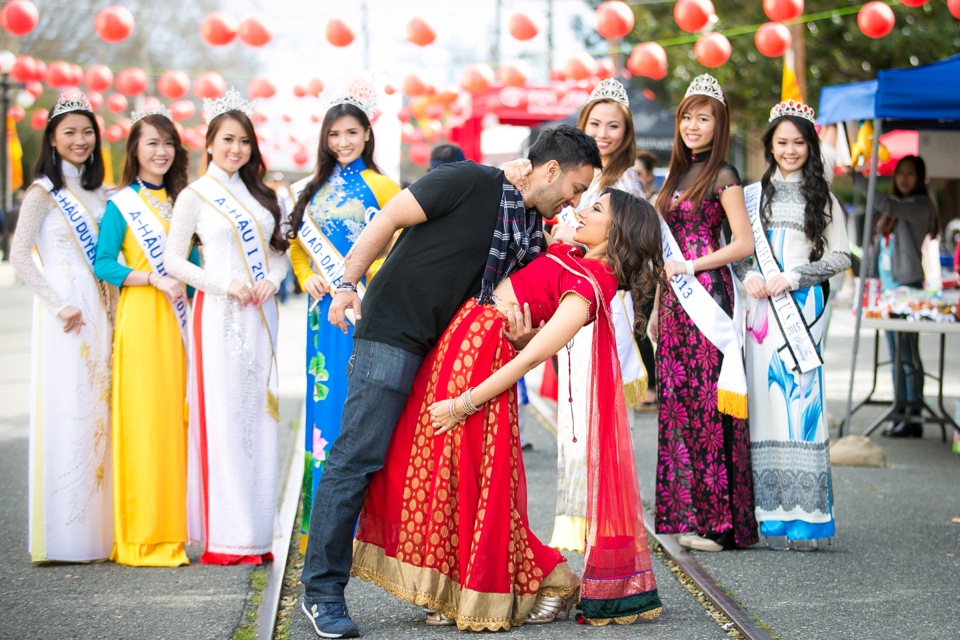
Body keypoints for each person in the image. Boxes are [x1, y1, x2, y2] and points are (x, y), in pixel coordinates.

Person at [300, 125, 601, 639]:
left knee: (435, 469)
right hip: (394, 334)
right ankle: (322, 592)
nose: (574, 201)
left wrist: (522, 330)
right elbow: (391, 217)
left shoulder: (529, 231)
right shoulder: (468, 180)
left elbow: (510, 301)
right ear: (551, 170)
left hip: (451, 355)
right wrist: (347, 283)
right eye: (575, 187)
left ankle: (442, 585)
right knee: (359, 456)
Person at [353, 190, 665, 629]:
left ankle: (535, 581)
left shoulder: (594, 284)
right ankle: (476, 583)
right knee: (442, 470)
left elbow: (534, 355)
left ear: (619, 231)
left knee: (468, 477)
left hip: (482, 366)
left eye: (596, 210)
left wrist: (466, 402)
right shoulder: (574, 253)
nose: (581, 210)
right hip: (464, 341)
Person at [503, 78, 647, 552]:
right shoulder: (566, 175)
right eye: (595, 124)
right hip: (564, 292)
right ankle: (580, 523)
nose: (604, 133)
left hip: (595, 301)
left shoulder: (624, 186)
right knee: (573, 419)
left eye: (614, 126)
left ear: (626, 133)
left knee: (594, 417)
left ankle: (603, 529)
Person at [164, 89, 290, 564]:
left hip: (260, 317)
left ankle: (257, 537)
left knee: (258, 418)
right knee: (223, 417)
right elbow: (175, 261)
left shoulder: (263, 196)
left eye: (243, 142)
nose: (236, 149)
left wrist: (272, 283)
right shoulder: (194, 197)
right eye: (227, 140)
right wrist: (224, 283)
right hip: (218, 316)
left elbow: (278, 257)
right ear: (210, 143)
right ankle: (227, 536)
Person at [286, 78, 400, 553]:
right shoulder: (310, 189)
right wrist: (306, 275)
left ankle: (373, 521)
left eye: (352, 133)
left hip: (367, 310)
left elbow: (399, 246)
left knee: (368, 406)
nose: (343, 142)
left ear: (367, 135)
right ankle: (328, 521)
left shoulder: (383, 185)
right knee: (327, 404)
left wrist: (361, 274)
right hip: (323, 318)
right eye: (335, 135)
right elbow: (296, 244)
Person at [649, 74, 758, 552]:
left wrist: (691, 264)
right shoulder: (673, 176)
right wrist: (655, 308)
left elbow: (743, 243)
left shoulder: (725, 175)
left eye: (703, 117)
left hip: (708, 296)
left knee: (711, 405)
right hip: (674, 302)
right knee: (678, 405)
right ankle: (685, 515)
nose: (693, 125)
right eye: (687, 117)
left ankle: (720, 522)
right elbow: (662, 251)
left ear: (720, 123)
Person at [736, 100, 850, 551]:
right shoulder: (751, 196)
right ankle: (768, 516)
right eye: (781, 142)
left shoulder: (823, 198)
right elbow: (740, 250)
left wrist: (799, 276)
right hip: (761, 312)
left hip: (803, 312)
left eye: (798, 142)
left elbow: (841, 255)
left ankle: (808, 518)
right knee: (764, 407)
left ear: (809, 145)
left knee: (803, 409)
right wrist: (749, 275)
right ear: (770, 146)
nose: (789, 150)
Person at [10, 90, 114, 562]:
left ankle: (100, 530)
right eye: (69, 131)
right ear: (52, 137)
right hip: (64, 316)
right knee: (66, 405)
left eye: (86, 131)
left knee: (99, 406)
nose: (79, 139)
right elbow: (19, 257)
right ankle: (64, 535)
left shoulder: (99, 192)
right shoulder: (41, 193)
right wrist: (56, 303)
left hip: (99, 310)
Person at [94, 107, 199, 566]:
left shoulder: (185, 201)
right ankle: (143, 536)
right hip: (143, 319)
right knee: (146, 420)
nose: (160, 151)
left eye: (168, 143)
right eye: (151, 143)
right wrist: (151, 279)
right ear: (134, 150)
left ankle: (175, 529)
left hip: (182, 321)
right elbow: (103, 262)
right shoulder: (122, 203)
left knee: (178, 420)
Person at [853, 155, 939, 438]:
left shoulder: (919, 206)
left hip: (908, 289)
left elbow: (887, 204)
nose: (903, 178)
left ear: (920, 178)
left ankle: (911, 413)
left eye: (910, 173)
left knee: (907, 355)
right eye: (900, 173)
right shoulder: (895, 211)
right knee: (896, 354)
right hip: (887, 291)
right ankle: (900, 409)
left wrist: (857, 178)